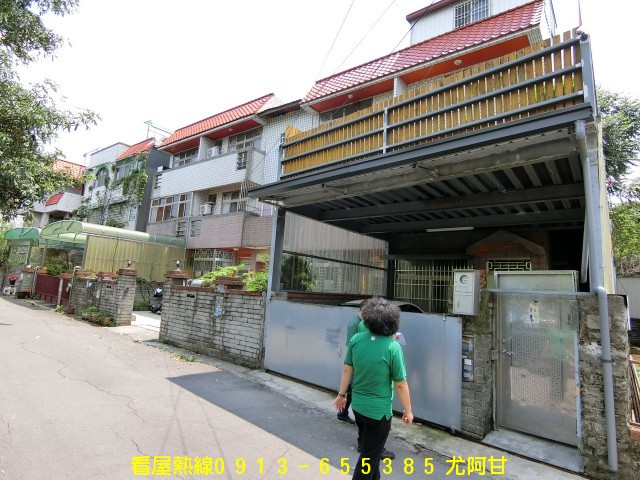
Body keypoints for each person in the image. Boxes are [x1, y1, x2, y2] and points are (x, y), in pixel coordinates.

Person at [333, 297, 413, 480]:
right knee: (368, 460)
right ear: (392, 322)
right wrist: (408, 410)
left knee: (372, 454)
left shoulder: (356, 340)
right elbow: (400, 383)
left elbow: (347, 369)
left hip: (358, 408)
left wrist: (341, 395)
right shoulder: (393, 348)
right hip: (378, 413)